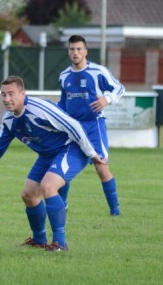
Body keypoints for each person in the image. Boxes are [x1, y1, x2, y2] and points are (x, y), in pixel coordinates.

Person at [0, 75, 106, 252]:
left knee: (48, 186)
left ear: (22, 93)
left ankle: (60, 243)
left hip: (71, 149)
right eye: (3, 95)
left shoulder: (39, 109)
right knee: (28, 195)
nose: (6, 99)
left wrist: (92, 154)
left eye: (11, 94)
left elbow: (74, 126)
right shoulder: (9, 119)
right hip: (47, 155)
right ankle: (39, 240)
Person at [57, 35, 125, 216]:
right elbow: (63, 103)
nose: (75, 53)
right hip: (72, 128)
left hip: (94, 126)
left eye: (79, 49)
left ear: (85, 51)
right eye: (72, 49)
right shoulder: (64, 76)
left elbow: (119, 88)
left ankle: (115, 212)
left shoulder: (98, 71)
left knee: (101, 167)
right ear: (68, 52)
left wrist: (106, 99)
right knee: (63, 167)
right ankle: (62, 206)